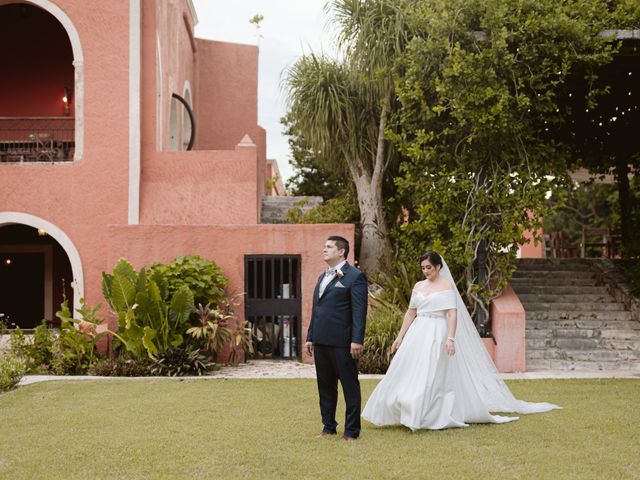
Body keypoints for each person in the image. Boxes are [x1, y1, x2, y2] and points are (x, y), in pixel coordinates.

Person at [362, 251, 560, 431]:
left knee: (432, 372)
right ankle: (406, 407)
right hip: (418, 331)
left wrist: (450, 338)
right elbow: (410, 312)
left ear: (438, 267)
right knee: (411, 369)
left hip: (437, 331)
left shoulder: (446, 286)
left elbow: (453, 314)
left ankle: (427, 412)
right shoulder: (419, 286)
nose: (425, 271)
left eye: (429, 267)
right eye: (423, 268)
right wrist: (400, 337)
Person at [305, 236, 368, 441]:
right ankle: (328, 426)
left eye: (329, 247)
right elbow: (318, 309)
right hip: (321, 341)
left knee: (349, 386)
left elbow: (359, 312)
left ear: (341, 252)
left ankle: (351, 431)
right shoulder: (322, 277)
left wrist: (356, 340)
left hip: (343, 342)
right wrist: (310, 336)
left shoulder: (355, 277)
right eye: (324, 246)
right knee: (325, 386)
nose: (324, 249)